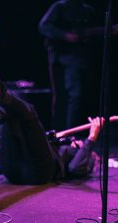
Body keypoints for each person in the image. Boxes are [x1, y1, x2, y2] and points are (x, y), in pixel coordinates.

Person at [0, 61, 102, 185]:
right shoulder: (63, 144)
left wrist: (91, 137)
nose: (78, 141)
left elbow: (74, 167)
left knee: (29, 113)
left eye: (81, 144)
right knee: (13, 116)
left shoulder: (89, 157)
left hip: (39, 172)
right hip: (14, 170)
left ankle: (0, 95)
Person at [38, 0, 95, 131]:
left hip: (80, 59)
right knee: (67, 96)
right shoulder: (60, 7)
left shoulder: (87, 10)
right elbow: (44, 26)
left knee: (76, 95)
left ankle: (70, 132)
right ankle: (63, 133)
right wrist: (64, 35)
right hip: (61, 58)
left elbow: (91, 31)